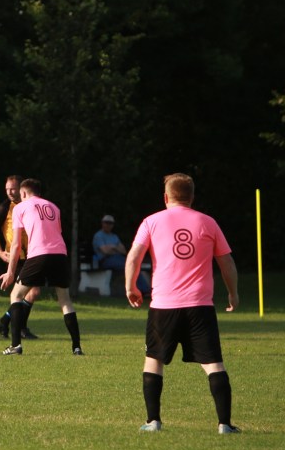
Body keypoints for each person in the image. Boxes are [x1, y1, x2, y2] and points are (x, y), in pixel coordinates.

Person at [125, 173, 241, 434]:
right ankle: (224, 424)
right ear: (192, 197)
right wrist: (232, 293)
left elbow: (134, 257)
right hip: (200, 306)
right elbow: (227, 262)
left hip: (163, 306)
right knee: (213, 363)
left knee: (154, 360)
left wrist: (130, 286)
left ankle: (153, 421)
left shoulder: (151, 221)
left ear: (166, 197)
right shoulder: (208, 222)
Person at [0, 178, 83, 356]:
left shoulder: (20, 207)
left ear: (23, 193)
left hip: (38, 255)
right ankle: (76, 347)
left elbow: (16, 245)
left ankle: (15, 345)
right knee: (65, 301)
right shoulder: (54, 207)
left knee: (16, 295)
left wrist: (10, 272)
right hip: (60, 255)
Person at [0, 175, 37, 340]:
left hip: (32, 254)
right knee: (30, 291)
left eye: (13, 189)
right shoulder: (4, 208)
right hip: (15, 257)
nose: (9, 192)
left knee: (30, 292)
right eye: (7, 189)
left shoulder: (30, 206)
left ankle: (5, 322)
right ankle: (19, 327)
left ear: (21, 189)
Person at [93, 214, 150, 294]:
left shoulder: (114, 236)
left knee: (133, 264)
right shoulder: (98, 236)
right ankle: (144, 290)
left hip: (118, 259)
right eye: (106, 222)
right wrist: (115, 247)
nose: (108, 225)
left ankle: (143, 289)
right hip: (104, 260)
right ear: (102, 223)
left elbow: (123, 251)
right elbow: (105, 251)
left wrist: (112, 247)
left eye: (110, 223)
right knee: (129, 266)